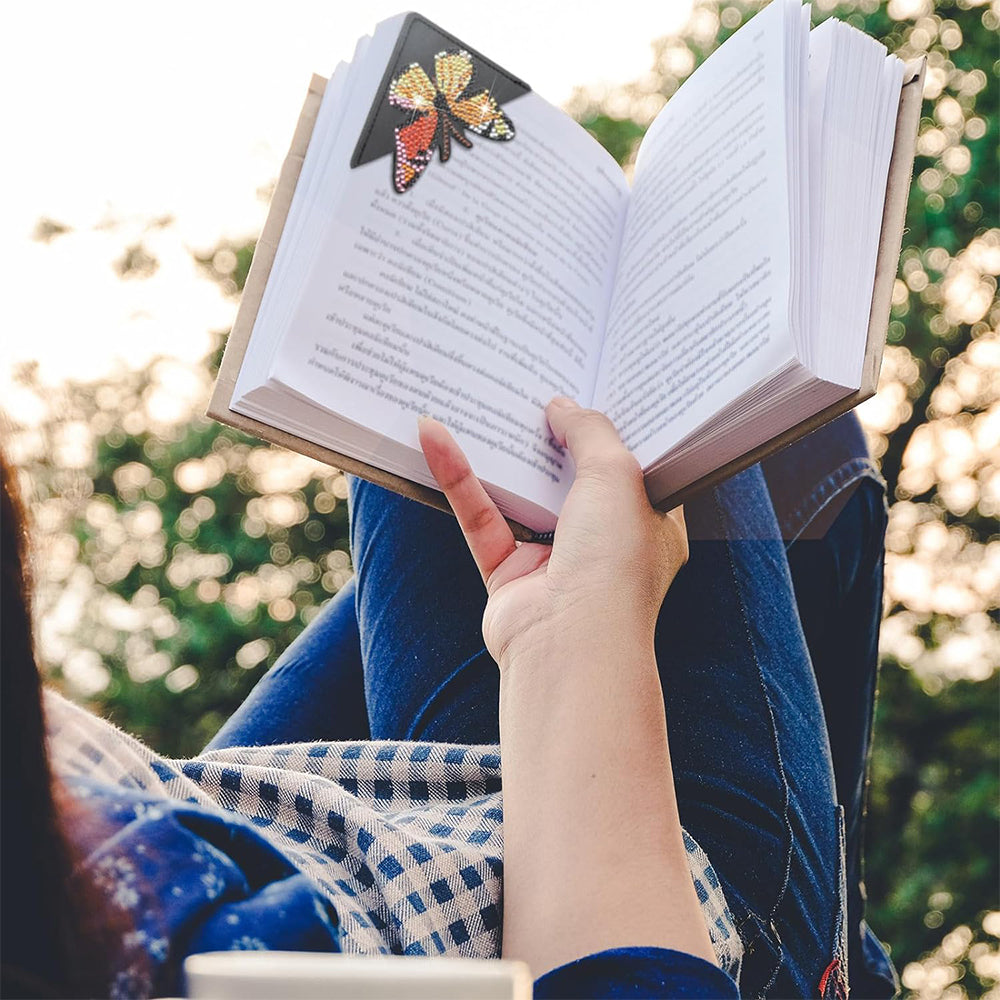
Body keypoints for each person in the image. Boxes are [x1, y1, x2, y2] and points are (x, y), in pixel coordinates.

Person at [0, 399, 898, 999]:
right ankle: (824, 955)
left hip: (192, 808)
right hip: (635, 914)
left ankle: (847, 949)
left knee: (506, 425)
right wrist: (575, 637)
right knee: (783, 439)